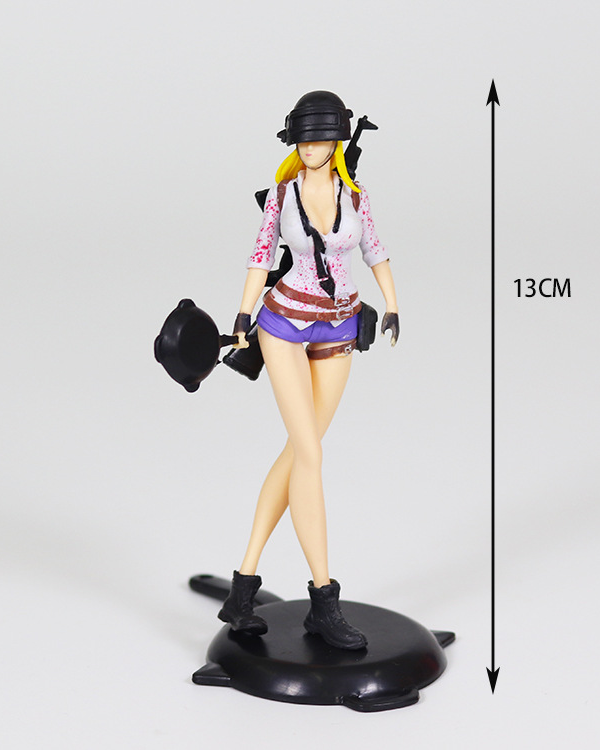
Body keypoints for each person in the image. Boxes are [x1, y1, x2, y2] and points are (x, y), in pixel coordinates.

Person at [217, 91, 399, 650]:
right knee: (311, 455)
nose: (312, 147)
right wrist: (243, 313)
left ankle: (242, 588)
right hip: (284, 325)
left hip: (340, 326)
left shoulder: (356, 196)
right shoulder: (282, 196)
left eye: (321, 138)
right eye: (304, 139)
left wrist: (393, 304)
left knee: (302, 451)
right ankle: (324, 598)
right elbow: (260, 257)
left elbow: (375, 251)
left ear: (337, 140)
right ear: (294, 141)